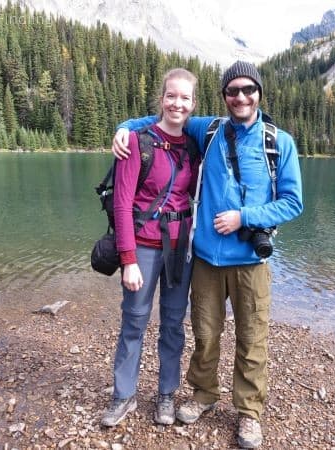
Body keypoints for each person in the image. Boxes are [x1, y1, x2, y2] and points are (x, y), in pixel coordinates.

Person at [112, 61, 303, 448]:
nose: (241, 97)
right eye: (232, 91)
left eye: (248, 89)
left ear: (259, 93)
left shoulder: (277, 142)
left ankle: (249, 414)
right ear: (223, 97)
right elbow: (168, 117)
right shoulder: (210, 129)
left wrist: (244, 217)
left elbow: (292, 203)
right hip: (205, 260)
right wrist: (125, 126)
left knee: (252, 340)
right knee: (204, 334)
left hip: (250, 260)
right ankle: (203, 395)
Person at [101, 68, 200, 427]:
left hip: (179, 248)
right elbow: (122, 204)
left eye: (185, 97)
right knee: (134, 322)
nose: (177, 103)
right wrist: (128, 260)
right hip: (142, 247)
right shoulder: (136, 141)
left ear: (193, 103)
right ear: (161, 99)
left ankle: (166, 395)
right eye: (171, 96)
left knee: (173, 324)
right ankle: (123, 396)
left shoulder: (192, 145)